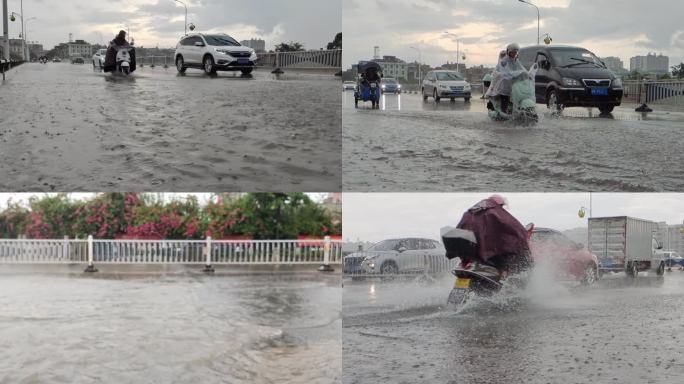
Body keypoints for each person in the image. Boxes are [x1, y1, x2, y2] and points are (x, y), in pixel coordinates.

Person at [454, 194, 533, 278]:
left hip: (469, 252)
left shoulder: (470, 212)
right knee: (509, 256)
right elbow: (511, 225)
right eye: (501, 206)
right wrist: (521, 234)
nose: (502, 208)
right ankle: (504, 279)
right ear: (498, 204)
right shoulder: (494, 212)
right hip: (484, 253)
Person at [486, 44, 527, 114]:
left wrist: (528, 74)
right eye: (513, 52)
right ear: (508, 52)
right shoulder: (503, 62)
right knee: (505, 101)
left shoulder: (516, 61)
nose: (514, 54)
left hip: (514, 85)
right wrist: (518, 73)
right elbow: (506, 73)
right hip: (504, 86)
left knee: (518, 98)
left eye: (516, 52)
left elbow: (522, 69)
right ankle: (503, 114)